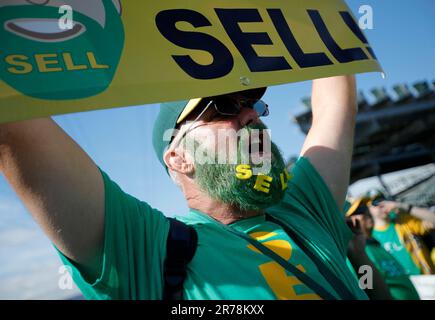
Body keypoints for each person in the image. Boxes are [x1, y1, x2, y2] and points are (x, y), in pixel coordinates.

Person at [0, 75, 369, 299]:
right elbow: (13, 123)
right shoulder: (149, 250)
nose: (251, 114)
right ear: (178, 158)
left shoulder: (302, 211)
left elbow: (336, 101)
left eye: (251, 103)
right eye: (222, 107)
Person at [346, 198, 420, 300]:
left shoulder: (375, 244)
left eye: (366, 209)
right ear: (351, 222)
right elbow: (369, 290)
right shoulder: (357, 254)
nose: (367, 213)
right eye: (360, 211)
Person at [367, 193, 435, 275]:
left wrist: (404, 207)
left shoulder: (402, 221)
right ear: (368, 209)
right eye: (375, 203)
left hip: (427, 278)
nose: (382, 205)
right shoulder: (370, 236)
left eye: (382, 200)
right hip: (405, 285)